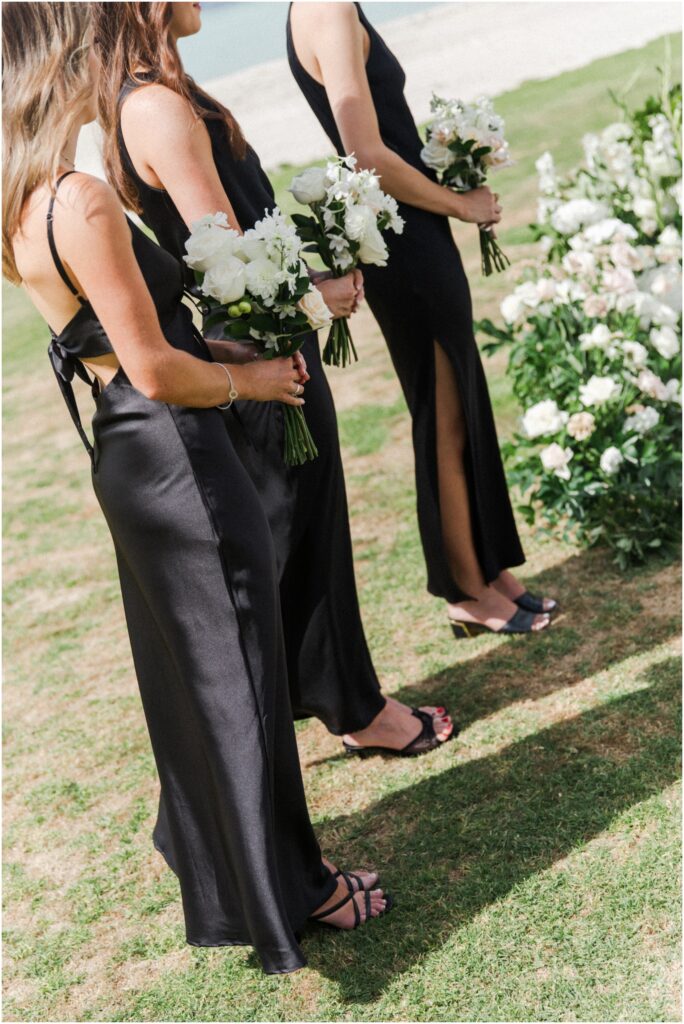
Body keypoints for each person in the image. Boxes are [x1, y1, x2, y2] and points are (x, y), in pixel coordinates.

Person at [2, 1, 390, 975]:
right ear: (54, 65)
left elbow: (113, 349)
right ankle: (297, 892)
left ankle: (224, 868)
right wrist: (252, 381)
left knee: (196, 685)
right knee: (242, 679)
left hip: (129, 456)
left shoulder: (21, 203)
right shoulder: (80, 202)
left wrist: (221, 350)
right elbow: (154, 368)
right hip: (179, 456)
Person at [92, 0, 454, 757]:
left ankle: (329, 702)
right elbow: (227, 258)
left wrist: (313, 277)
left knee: (303, 524)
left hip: (266, 335)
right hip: (257, 350)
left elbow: (242, 240)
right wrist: (314, 296)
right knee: (303, 529)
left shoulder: (160, 94)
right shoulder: (155, 106)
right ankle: (357, 713)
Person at [287, 2, 558, 638]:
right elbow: (366, 154)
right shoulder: (326, 9)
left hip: (410, 231)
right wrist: (460, 205)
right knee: (443, 412)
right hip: (402, 241)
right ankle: (465, 589)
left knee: (460, 396)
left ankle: (487, 568)